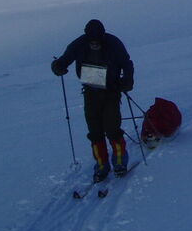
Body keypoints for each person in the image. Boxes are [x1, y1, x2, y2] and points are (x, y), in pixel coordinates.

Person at [51, 19, 134, 182]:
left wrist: (127, 80)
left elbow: (126, 63)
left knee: (112, 128)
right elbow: (65, 59)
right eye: (92, 40)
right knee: (95, 132)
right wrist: (58, 66)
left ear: (102, 35)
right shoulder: (80, 44)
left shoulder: (113, 43)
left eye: (97, 39)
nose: (94, 42)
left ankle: (119, 163)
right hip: (91, 92)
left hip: (111, 91)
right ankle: (102, 165)